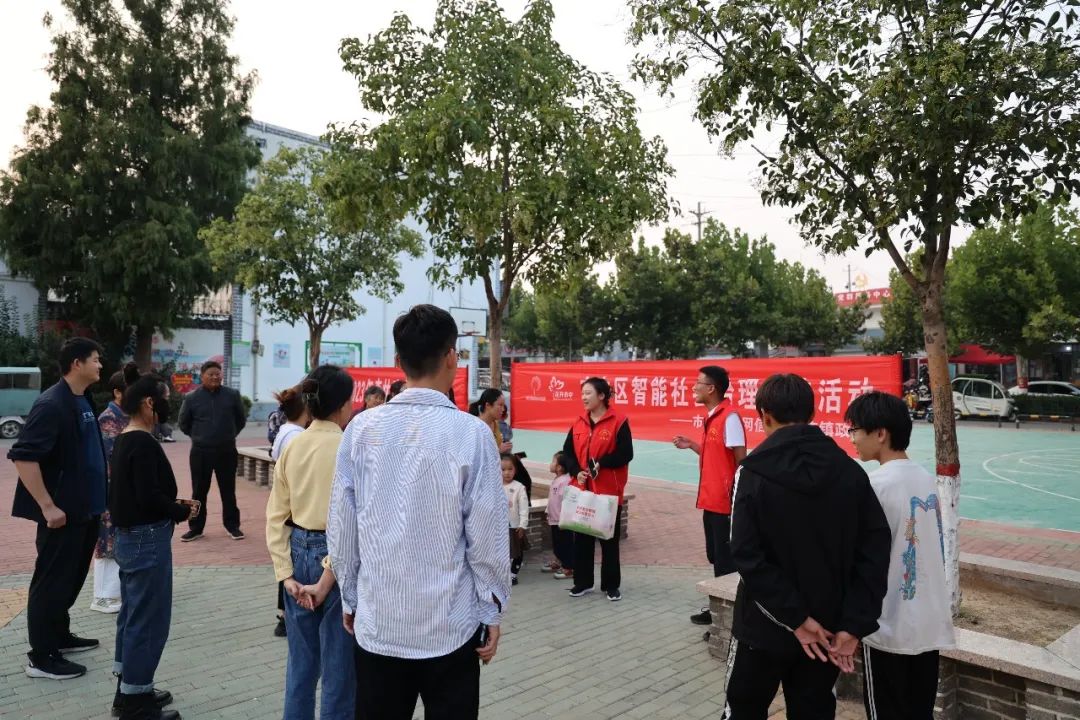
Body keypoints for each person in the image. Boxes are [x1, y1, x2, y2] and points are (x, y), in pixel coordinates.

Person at [328, 304, 509, 720]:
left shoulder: (361, 430)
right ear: (452, 357)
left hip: (380, 624)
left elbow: (342, 528)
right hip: (451, 626)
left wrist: (351, 598)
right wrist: (491, 607)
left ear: (398, 361)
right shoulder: (472, 434)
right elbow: (487, 536)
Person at [724, 373, 891, 718]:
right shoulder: (850, 472)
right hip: (828, 630)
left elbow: (744, 554)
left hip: (764, 625)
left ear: (764, 415)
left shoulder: (751, 473)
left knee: (743, 709)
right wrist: (853, 624)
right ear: (812, 414)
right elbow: (874, 553)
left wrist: (797, 618)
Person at [845, 391, 955, 719]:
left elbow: (860, 560)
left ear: (880, 433)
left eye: (855, 430)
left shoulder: (875, 486)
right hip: (928, 624)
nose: (852, 439)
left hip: (888, 625)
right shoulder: (925, 478)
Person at [10, 337, 108, 680]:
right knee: (50, 583)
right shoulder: (52, 404)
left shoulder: (82, 399)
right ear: (77, 363)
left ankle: (59, 636)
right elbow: (23, 457)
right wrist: (48, 506)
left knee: (70, 579)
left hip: (86, 510)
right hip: (62, 515)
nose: (100, 364)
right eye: (95, 359)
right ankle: (41, 657)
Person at [265, 366, 357, 719]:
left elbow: (276, 515)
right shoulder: (348, 448)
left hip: (298, 550)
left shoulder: (293, 445)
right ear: (344, 404)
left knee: (301, 664)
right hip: (335, 556)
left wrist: (285, 575)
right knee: (339, 667)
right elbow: (354, 521)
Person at [109, 371, 194, 720]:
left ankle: (130, 688)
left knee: (133, 615)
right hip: (146, 539)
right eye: (163, 401)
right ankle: (135, 703)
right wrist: (178, 510)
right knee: (148, 620)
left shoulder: (124, 439)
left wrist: (171, 506)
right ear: (148, 403)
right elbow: (148, 496)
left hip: (130, 538)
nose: (165, 408)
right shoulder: (141, 442)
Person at [673, 366, 746, 627]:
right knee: (716, 557)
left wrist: (737, 499)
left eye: (698, 383)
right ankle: (718, 610)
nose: (694, 387)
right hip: (711, 501)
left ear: (712, 388)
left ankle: (728, 621)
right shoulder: (713, 417)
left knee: (726, 563)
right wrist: (693, 445)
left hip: (725, 504)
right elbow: (716, 455)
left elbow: (741, 460)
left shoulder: (730, 418)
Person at [561, 377, 633, 602]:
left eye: (588, 393)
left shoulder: (619, 421)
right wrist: (576, 471)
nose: (583, 397)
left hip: (608, 492)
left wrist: (603, 463)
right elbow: (567, 452)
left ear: (602, 396)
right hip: (583, 490)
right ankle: (583, 583)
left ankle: (611, 586)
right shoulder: (579, 422)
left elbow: (626, 453)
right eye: (582, 393)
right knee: (582, 539)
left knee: (609, 541)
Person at [177, 360, 247, 542]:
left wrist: (228, 435)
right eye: (211, 374)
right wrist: (199, 436)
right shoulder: (192, 398)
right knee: (198, 492)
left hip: (226, 451)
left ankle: (232, 526)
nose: (215, 377)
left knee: (228, 490)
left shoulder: (232, 395)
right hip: (200, 452)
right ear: (202, 376)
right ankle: (195, 528)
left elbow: (241, 420)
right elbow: (183, 423)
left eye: (218, 374)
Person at [91, 365, 136, 614]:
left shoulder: (129, 416)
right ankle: (103, 597)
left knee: (119, 538)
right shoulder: (108, 419)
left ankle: (116, 593)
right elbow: (111, 459)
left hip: (126, 489)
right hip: (111, 489)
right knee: (107, 540)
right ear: (118, 392)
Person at [270, 384, 312, 639]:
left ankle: (284, 615)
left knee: (285, 563)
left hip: (287, 505)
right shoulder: (297, 437)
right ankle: (285, 617)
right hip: (295, 510)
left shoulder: (286, 431)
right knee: (290, 566)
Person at [543, 451, 574, 579]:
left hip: (562, 521)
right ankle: (560, 561)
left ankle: (569, 567)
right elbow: (553, 499)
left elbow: (566, 501)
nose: (550, 464)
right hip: (554, 519)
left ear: (559, 467)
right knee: (557, 544)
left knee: (565, 544)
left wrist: (564, 519)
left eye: (553, 461)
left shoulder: (565, 481)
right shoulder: (557, 479)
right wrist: (548, 512)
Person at [501, 453, 529, 586]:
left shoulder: (519, 487)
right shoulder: (494, 486)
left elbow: (524, 508)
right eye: (503, 469)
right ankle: (503, 573)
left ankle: (513, 574)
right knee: (502, 552)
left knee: (517, 552)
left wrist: (523, 525)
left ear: (515, 470)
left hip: (514, 526)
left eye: (510, 469)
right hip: (499, 527)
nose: (507, 473)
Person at [470, 388, 512, 453]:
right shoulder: (475, 427)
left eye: (503, 405)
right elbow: (473, 454)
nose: (503, 409)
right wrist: (497, 451)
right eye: (500, 405)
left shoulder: (496, 424)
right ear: (488, 405)